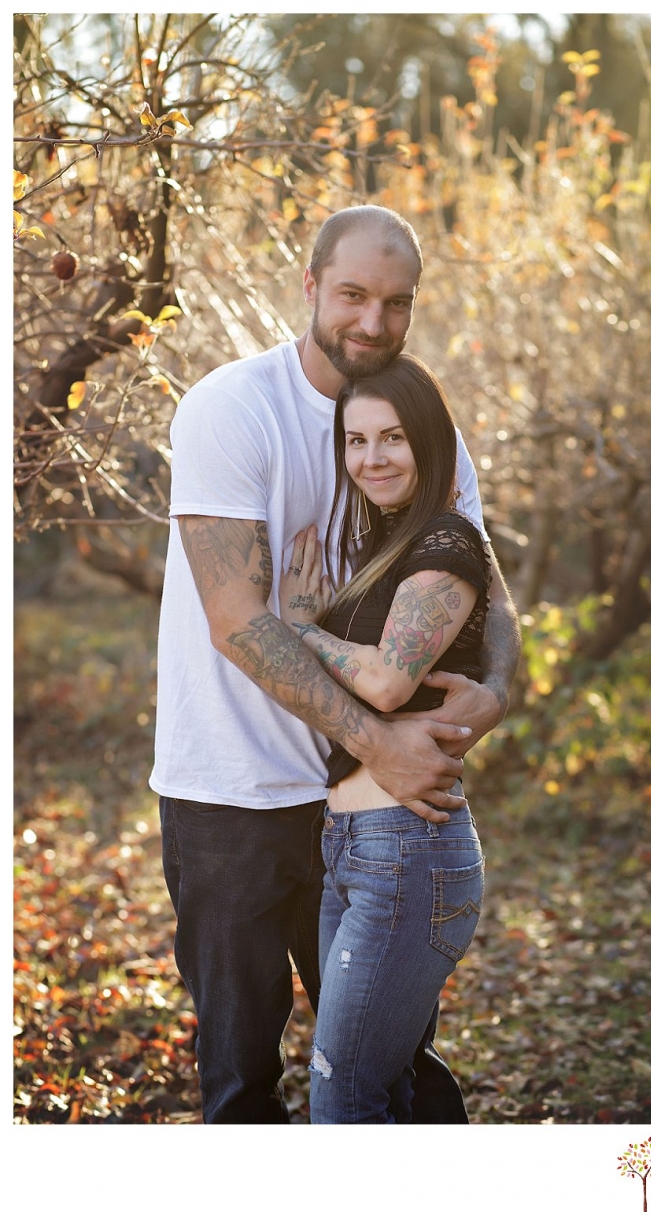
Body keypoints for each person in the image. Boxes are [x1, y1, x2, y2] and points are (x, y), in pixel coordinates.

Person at [149, 204, 521, 1123]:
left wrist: (501, 687)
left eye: (396, 303)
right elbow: (237, 620)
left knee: (389, 1066)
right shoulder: (232, 408)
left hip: (365, 808)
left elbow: (489, 578)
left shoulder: (412, 420)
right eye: (353, 294)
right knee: (240, 1079)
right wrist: (380, 736)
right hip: (228, 793)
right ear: (310, 286)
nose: (372, 321)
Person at [278, 354, 490, 1123]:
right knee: (384, 1089)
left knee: (344, 1096)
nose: (371, 458)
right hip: (352, 845)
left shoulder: (447, 541)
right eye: (356, 440)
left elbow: (391, 681)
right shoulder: (389, 547)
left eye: (392, 438)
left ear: (429, 441)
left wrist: (301, 629)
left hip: (408, 849)